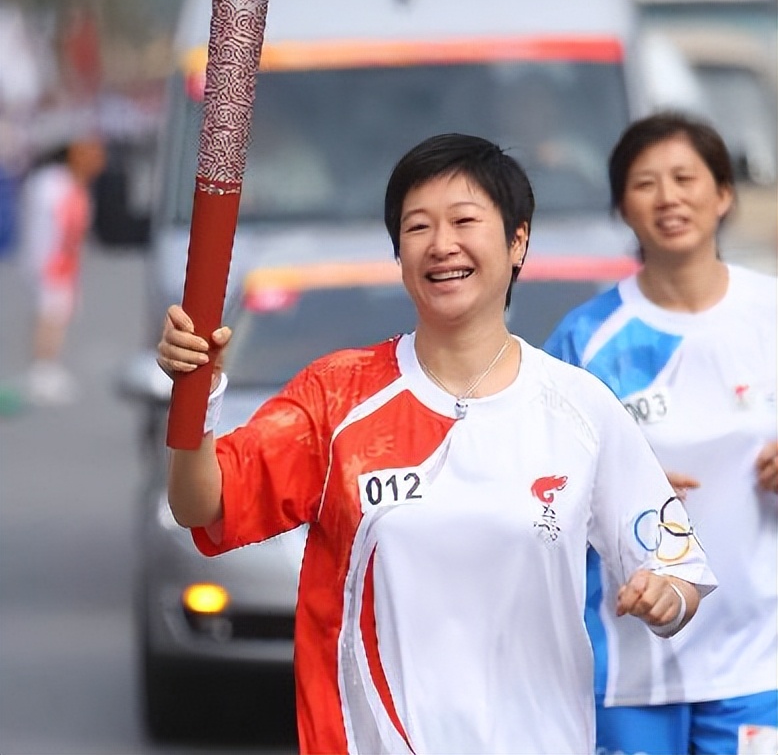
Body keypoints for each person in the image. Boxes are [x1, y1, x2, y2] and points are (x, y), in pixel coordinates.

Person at [158, 132, 715, 755]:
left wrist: (667, 596)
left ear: (517, 241)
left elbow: (675, 563)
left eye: (465, 221)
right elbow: (200, 504)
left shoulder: (579, 408)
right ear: (399, 254)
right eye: (418, 227)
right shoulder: (336, 399)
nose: (441, 244)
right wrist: (196, 395)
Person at [545, 112, 777, 755]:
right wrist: (604, 484)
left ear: (723, 193)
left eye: (685, 178)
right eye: (646, 183)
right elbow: (539, 484)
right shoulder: (585, 339)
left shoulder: (771, 317)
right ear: (623, 205)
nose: (669, 197)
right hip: (629, 664)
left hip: (760, 660)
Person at [18, 133, 106, 403]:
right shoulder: (52, 184)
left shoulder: (76, 186)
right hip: (51, 260)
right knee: (50, 314)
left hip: (65, 262)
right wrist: (46, 261)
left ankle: (48, 366)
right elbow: (48, 226)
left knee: (59, 314)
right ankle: (42, 370)